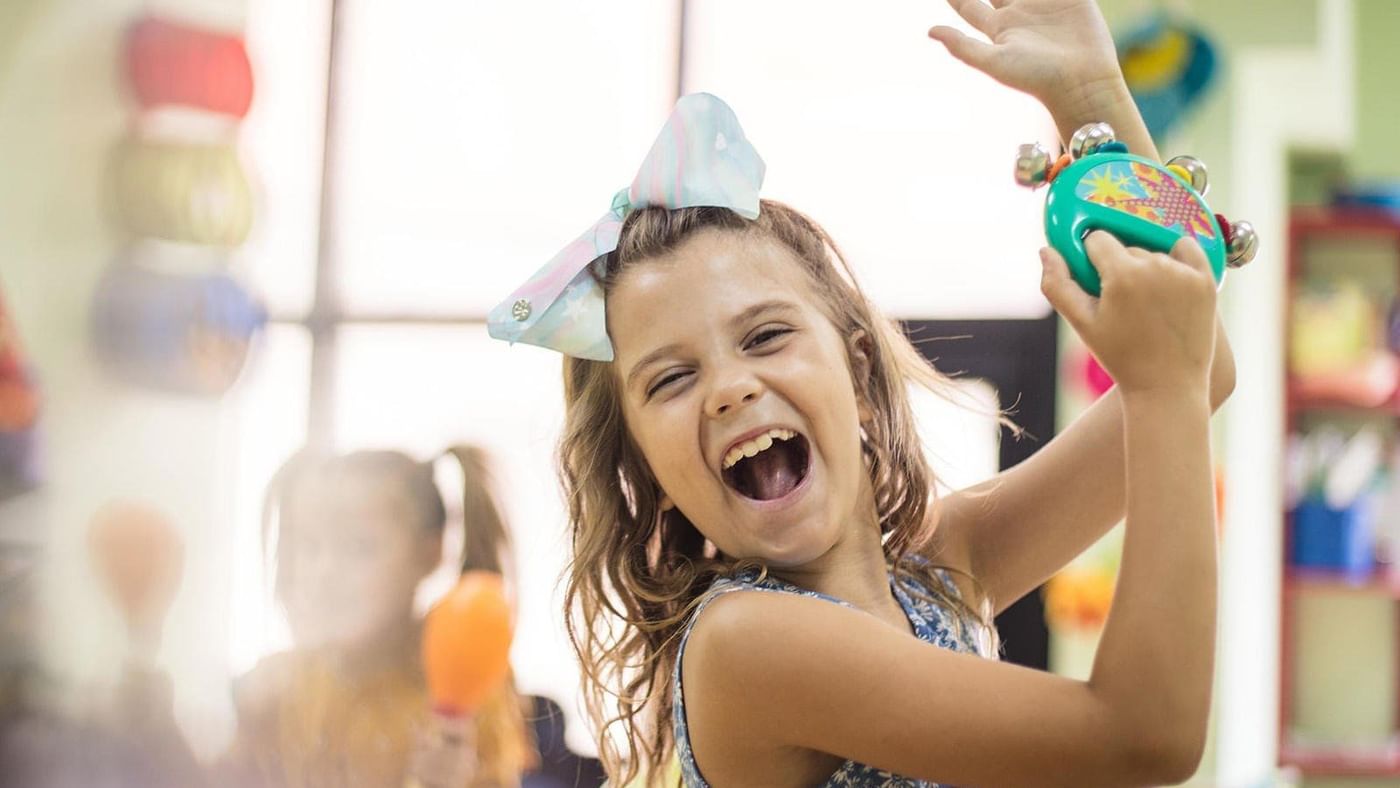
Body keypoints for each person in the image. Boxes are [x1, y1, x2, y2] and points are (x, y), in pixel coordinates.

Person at [487, 1, 1237, 785]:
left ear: (861, 375)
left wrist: (1090, 94)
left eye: (766, 336)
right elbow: (1143, 738)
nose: (730, 388)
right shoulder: (748, 645)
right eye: (673, 379)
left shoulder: (938, 570)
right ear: (645, 473)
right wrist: (1158, 387)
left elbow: (1205, 369)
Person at [225, 446, 534, 787]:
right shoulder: (276, 689)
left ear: (429, 553)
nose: (324, 571)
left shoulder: (472, 695)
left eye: (360, 547)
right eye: (309, 545)